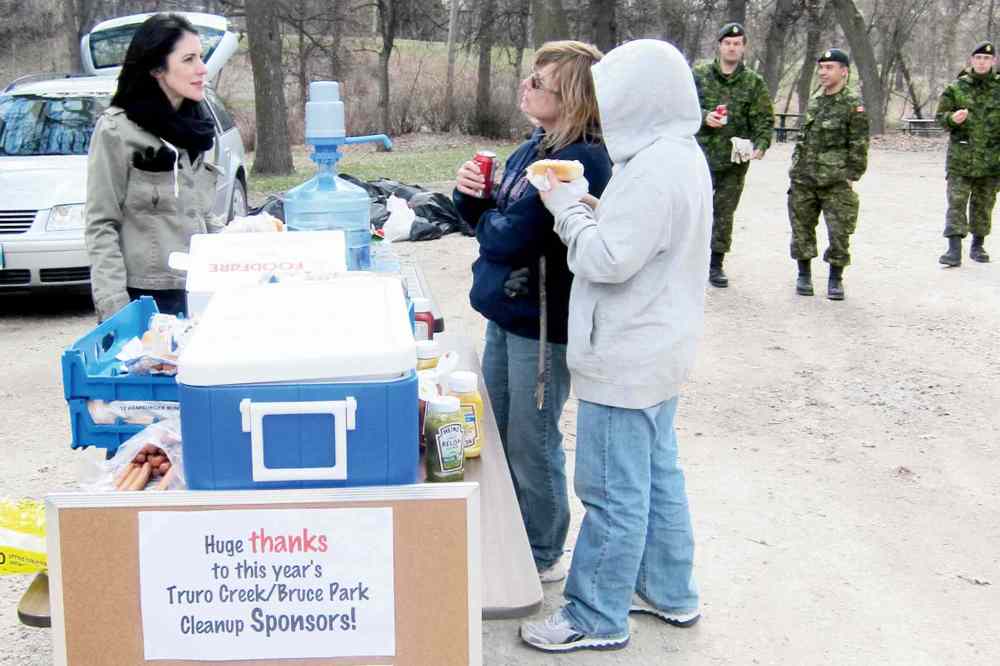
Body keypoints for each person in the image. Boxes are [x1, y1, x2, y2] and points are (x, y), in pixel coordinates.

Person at [520, 38, 711, 653]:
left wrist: (566, 208)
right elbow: (642, 236)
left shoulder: (654, 169)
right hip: (659, 350)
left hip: (624, 356)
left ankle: (595, 615)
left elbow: (606, 260)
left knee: (609, 491)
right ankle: (668, 590)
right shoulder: (678, 156)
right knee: (657, 475)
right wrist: (599, 207)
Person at [452, 41, 612, 583]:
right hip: (508, 312)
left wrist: (490, 220)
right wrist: (469, 195)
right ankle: (510, 530)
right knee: (495, 427)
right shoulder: (531, 149)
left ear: (570, 95)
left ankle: (543, 550)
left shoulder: (581, 160)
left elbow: (513, 236)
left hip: (545, 322)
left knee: (532, 437)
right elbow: (487, 219)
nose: (526, 87)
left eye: (539, 82)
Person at [85, 13, 223, 321]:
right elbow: (100, 225)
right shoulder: (116, 131)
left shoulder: (196, 128)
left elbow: (201, 213)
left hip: (199, 291)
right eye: (188, 59)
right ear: (157, 68)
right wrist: (115, 309)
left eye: (201, 57)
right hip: (145, 299)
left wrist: (244, 247)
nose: (202, 69)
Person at [692, 22, 774, 288]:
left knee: (724, 213)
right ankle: (688, 261)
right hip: (699, 156)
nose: (732, 47)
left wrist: (761, 144)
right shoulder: (700, 75)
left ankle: (715, 264)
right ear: (720, 46)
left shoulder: (753, 83)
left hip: (733, 160)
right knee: (694, 210)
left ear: (743, 48)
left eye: (737, 44)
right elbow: (683, 108)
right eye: (727, 43)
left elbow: (764, 118)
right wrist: (705, 117)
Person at [787, 48, 869, 300]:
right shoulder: (815, 99)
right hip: (804, 178)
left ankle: (835, 278)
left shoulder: (852, 104)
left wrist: (851, 176)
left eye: (829, 67)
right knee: (801, 228)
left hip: (835, 181)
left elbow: (859, 144)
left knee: (839, 232)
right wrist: (795, 166)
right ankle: (804, 274)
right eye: (821, 67)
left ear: (843, 71)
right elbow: (804, 137)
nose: (823, 72)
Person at [935, 40, 1000, 266]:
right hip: (961, 158)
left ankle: (978, 245)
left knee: (984, 204)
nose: (982, 63)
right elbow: (939, 119)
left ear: (994, 61)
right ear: (972, 61)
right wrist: (951, 119)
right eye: (978, 58)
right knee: (957, 202)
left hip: (991, 160)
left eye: (987, 59)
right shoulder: (956, 88)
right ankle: (954, 249)